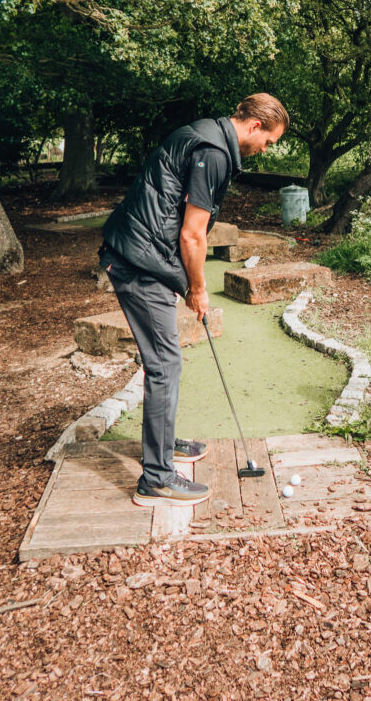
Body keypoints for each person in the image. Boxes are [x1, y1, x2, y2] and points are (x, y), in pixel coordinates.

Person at [98, 93, 289, 507]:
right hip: (137, 264)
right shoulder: (215, 152)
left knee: (165, 363)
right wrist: (197, 288)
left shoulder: (203, 133)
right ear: (255, 126)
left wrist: (184, 282)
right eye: (269, 141)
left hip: (140, 255)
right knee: (165, 364)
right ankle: (157, 478)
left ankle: (164, 449)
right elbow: (192, 234)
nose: (264, 150)